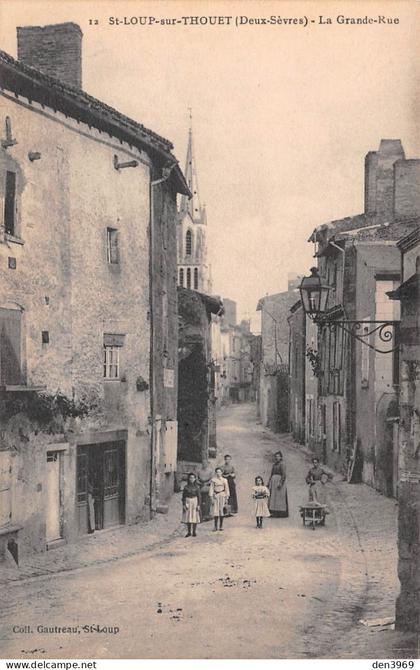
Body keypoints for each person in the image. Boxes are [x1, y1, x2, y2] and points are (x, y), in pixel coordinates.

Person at [268, 451, 289, 518]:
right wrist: (268, 483)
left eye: (278, 456)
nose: (277, 458)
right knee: (273, 497)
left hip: (279, 482)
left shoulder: (282, 464)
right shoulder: (274, 465)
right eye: (276, 456)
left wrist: (280, 483)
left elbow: (284, 475)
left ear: (281, 457)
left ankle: (281, 513)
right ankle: (274, 512)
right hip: (273, 482)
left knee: (280, 498)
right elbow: (271, 474)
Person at [209, 467, 230, 531]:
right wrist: (211, 497)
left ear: (222, 473)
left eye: (219, 472)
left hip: (222, 495)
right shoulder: (213, 480)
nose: (218, 473)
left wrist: (227, 497)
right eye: (217, 472)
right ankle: (215, 526)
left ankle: (221, 526)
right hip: (216, 495)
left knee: (221, 510)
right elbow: (211, 489)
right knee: (216, 511)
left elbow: (227, 489)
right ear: (215, 473)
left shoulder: (224, 480)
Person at [182, 473, 201, 537]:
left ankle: (194, 532)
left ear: (195, 479)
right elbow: (183, 497)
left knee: (194, 516)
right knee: (188, 517)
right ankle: (189, 532)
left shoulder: (197, 487)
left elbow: (199, 496)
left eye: (193, 478)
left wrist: (198, 505)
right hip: (188, 501)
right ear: (189, 479)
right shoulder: (186, 487)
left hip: (194, 501)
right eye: (190, 478)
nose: (191, 479)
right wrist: (184, 504)